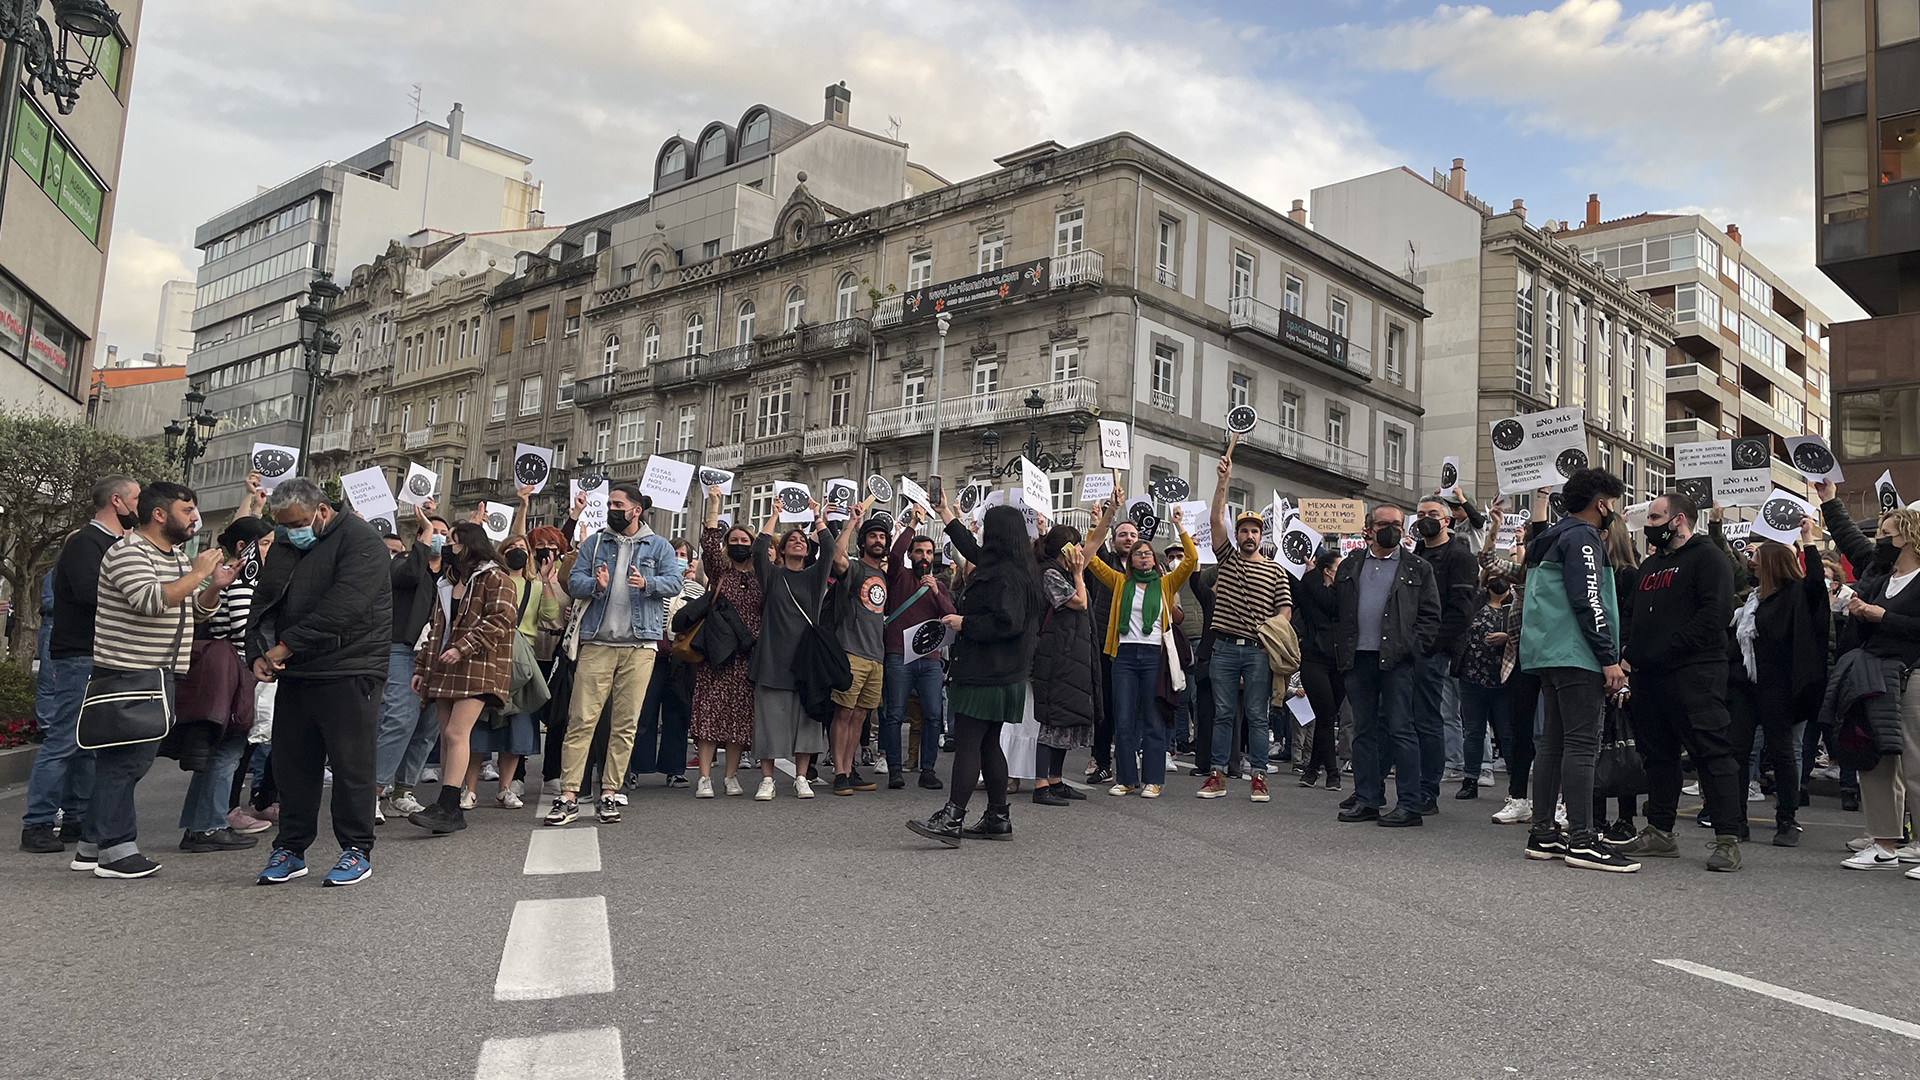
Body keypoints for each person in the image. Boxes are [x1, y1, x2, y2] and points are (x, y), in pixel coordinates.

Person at [77, 481, 237, 879]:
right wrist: (199, 571)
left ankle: (89, 845)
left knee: (125, 760)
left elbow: (190, 613)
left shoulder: (179, 559)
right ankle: (116, 851)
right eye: (188, 511)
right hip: (128, 671)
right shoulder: (128, 552)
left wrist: (212, 588)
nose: (195, 518)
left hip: (158, 672)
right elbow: (150, 602)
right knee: (126, 762)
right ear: (160, 514)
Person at [248, 478, 394, 887]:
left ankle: (355, 849)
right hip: (296, 670)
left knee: (352, 766)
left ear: (322, 511)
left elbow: (343, 607)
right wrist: (257, 650)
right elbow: (267, 598)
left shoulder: (362, 540)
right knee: (292, 765)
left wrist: (284, 647)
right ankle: (291, 848)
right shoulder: (285, 541)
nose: (288, 531)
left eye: (294, 522)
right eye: (280, 524)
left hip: (350, 667)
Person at [1515, 468, 1636, 872]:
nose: (1613, 514)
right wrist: (1608, 658)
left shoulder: (1548, 536)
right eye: (1612, 505)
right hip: (1577, 652)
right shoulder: (1583, 537)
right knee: (1583, 744)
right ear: (1601, 503)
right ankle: (1583, 839)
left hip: (1547, 651)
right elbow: (1588, 600)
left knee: (1552, 743)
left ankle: (1545, 832)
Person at [1614, 490, 1741, 871]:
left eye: (1654, 519)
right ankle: (1660, 831)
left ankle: (1727, 839)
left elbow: (1716, 613)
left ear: (1679, 520)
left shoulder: (1708, 558)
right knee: (1658, 756)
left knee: (1711, 753)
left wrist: (1670, 648)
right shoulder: (1652, 567)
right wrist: (1631, 653)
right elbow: (1636, 616)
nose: (1648, 526)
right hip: (1650, 677)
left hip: (1695, 673)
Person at [546, 484, 683, 826]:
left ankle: (610, 792)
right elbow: (572, 582)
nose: (612, 508)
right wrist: (597, 584)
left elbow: (675, 583)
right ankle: (568, 795)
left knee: (625, 724)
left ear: (637, 510)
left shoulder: (659, 545)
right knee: (581, 721)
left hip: (639, 646)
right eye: (609, 504)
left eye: (618, 504)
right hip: (597, 643)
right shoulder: (594, 544)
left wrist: (648, 585)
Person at [909, 501, 1045, 845]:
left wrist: (963, 622)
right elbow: (969, 547)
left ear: (996, 534)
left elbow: (1007, 622)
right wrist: (945, 514)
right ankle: (998, 817)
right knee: (988, 745)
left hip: (987, 673)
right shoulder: (1013, 565)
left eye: (986, 526)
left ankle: (952, 817)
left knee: (969, 743)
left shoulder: (1003, 575)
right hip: (1003, 674)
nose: (980, 532)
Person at [20, 475, 139, 855]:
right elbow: (92, 593)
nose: (140, 504)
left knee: (89, 741)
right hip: (79, 653)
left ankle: (77, 815)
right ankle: (37, 822)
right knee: (64, 739)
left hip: (102, 652)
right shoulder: (86, 543)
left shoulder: (117, 543)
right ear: (117, 501)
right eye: (136, 498)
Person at [1817, 481, 1920, 873]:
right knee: (1874, 760)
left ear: (1908, 538)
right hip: (1876, 676)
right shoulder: (1880, 578)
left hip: (1913, 675)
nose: (1878, 541)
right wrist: (1860, 608)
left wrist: (1883, 618)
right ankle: (1884, 843)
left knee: (1916, 762)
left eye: (1885, 535)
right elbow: (1849, 541)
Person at [403, 522, 518, 832]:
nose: (447, 547)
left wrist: (463, 647)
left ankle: (450, 804)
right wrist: (421, 667)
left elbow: (503, 619)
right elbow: (435, 630)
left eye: (452, 542)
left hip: (479, 664)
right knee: (447, 737)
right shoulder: (447, 582)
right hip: (445, 665)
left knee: (456, 733)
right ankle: (448, 804)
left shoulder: (497, 578)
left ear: (468, 545)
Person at [172, 510, 274, 853]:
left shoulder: (233, 580)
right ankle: (208, 825)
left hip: (230, 671)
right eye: (266, 544)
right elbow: (244, 632)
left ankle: (201, 825)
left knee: (224, 750)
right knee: (228, 751)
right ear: (245, 547)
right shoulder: (243, 583)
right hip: (238, 672)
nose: (270, 551)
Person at [1334, 503, 1439, 827]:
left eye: (1397, 523)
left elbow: (1430, 615)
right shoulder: (1351, 563)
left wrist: (1411, 648)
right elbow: (1338, 608)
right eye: (1384, 524)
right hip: (1358, 658)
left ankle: (1409, 804)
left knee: (1401, 730)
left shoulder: (1417, 567)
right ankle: (1367, 798)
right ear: (1369, 529)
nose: (1392, 528)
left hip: (1397, 660)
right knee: (1363, 732)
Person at [1086, 501, 1198, 797]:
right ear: (1130, 561)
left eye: (1147, 553)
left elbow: (1190, 560)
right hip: (1123, 657)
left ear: (1154, 559)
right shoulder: (1120, 583)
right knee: (1122, 719)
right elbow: (1092, 559)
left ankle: (1153, 779)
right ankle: (1125, 778)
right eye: (1138, 554)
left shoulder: (1165, 585)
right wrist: (1101, 523)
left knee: (1152, 718)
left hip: (1153, 657)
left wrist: (1180, 526)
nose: (1143, 557)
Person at [749, 497, 855, 800]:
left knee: (806, 722)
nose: (797, 542)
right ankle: (767, 779)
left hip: (806, 661)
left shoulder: (813, 578)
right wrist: (775, 515)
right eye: (791, 540)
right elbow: (759, 551)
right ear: (782, 550)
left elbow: (829, 548)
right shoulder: (772, 576)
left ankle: (800, 777)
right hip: (772, 660)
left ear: (807, 550)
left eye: (801, 540)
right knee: (769, 721)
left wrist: (818, 516)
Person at [1200, 455, 1292, 801]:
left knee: (1257, 715)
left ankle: (1258, 776)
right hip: (1223, 648)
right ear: (1237, 535)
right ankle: (1217, 774)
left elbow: (1285, 611)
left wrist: (1271, 632)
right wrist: (1223, 481)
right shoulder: (1227, 559)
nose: (1249, 535)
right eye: (1244, 530)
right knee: (1223, 714)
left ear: (1261, 535)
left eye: (1254, 531)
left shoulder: (1275, 571)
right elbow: (1214, 519)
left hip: (1257, 651)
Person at [1732, 525, 1829, 848]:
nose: (1751, 561)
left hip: (1780, 687)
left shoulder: (1795, 596)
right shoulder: (1751, 601)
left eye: (1756, 557)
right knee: (1739, 752)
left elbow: (1816, 584)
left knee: (1783, 752)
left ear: (1771, 563)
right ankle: (1736, 819)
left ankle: (1787, 819)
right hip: (1746, 687)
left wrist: (1809, 542)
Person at [377, 500, 449, 820]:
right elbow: (406, 577)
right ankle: (373, 790)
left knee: (428, 724)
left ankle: (403, 790)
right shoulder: (402, 562)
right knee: (400, 717)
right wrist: (423, 538)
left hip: (438, 656)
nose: (441, 539)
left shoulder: (450, 575)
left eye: (446, 535)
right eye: (435, 533)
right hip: (402, 650)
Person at [1410, 495, 1479, 814]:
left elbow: (1460, 613)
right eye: (1421, 513)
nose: (1425, 518)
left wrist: (1429, 644)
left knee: (1428, 720)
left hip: (1433, 651)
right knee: (1405, 720)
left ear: (1447, 521)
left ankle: (1428, 791)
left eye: (1432, 514)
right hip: (1409, 649)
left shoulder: (1459, 555)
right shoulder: (1416, 552)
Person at [689, 489, 759, 797]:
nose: (740, 544)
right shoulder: (721, 572)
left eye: (745, 541)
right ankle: (705, 777)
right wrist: (715, 505)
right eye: (735, 540)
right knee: (709, 714)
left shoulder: (760, 577)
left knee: (738, 718)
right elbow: (708, 545)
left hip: (746, 654)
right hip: (717, 654)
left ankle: (731, 776)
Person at [882, 507, 955, 790]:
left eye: (928, 552)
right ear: (911, 556)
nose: (923, 556)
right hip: (899, 654)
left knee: (933, 715)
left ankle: (928, 769)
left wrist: (936, 592)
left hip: (930, 659)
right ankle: (895, 770)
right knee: (894, 713)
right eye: (918, 552)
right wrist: (912, 524)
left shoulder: (938, 585)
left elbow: (950, 616)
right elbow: (893, 554)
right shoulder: (899, 576)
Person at [1030, 525, 1095, 806]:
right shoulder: (1049, 574)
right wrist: (1080, 574)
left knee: (1067, 718)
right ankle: (1041, 783)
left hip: (1070, 653)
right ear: (1066, 550)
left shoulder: (1063, 573)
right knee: (1052, 720)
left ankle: (1056, 780)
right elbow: (1079, 602)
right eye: (1077, 546)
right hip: (1054, 655)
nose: (1081, 552)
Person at [632, 535, 700, 790]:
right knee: (644, 713)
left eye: (684, 556)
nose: (679, 559)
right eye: (675, 554)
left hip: (681, 659)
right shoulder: (651, 584)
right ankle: (636, 767)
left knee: (677, 714)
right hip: (652, 654)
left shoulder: (696, 590)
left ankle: (674, 769)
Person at [831, 513, 890, 795]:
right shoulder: (855, 568)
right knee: (843, 712)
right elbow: (836, 554)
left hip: (876, 656)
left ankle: (850, 767)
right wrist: (851, 524)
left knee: (860, 716)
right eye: (873, 536)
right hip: (851, 651)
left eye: (882, 537)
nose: (878, 541)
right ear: (863, 542)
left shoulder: (883, 576)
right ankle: (839, 771)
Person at [1083, 512, 1141, 786]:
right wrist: (1101, 521)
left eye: (1133, 535)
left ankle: (1132, 758)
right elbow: (1091, 550)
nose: (1128, 539)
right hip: (1107, 644)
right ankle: (1102, 761)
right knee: (1105, 705)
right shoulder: (1107, 564)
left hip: (1137, 646)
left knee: (1132, 706)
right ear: (1114, 540)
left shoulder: (1148, 567)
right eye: (1123, 535)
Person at [1455, 570, 1515, 802]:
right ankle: (1470, 780)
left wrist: (1507, 638)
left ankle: (1514, 785)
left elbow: (1526, 635)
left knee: (1507, 734)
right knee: (1473, 732)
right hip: (1471, 678)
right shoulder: (1474, 603)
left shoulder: (1515, 608)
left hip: (1503, 680)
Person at [1294, 544, 1344, 790]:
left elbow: (1334, 604)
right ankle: (1333, 773)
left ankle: (1312, 770)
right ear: (1327, 571)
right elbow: (1300, 594)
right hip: (1314, 659)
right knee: (1325, 714)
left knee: (1327, 716)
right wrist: (1309, 575)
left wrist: (1312, 576)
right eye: (1339, 568)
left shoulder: (1345, 593)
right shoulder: (1310, 589)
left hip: (1339, 661)